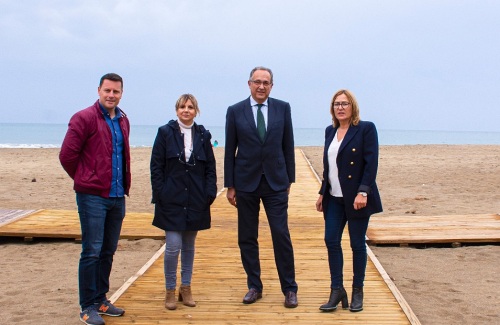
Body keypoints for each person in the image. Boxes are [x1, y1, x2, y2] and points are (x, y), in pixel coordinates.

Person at [224, 66, 298, 308]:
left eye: (266, 82)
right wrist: (230, 185)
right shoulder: (235, 111)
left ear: (272, 86)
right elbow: (229, 150)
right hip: (245, 182)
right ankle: (254, 286)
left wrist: (289, 178)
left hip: (276, 182)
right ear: (249, 84)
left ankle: (289, 288)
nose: (261, 86)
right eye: (257, 82)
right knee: (247, 236)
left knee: (281, 234)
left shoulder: (283, 108)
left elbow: (288, 144)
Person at [59, 73, 130, 325]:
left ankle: (101, 299)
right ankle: (87, 306)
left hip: (116, 195)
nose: (111, 95)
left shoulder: (123, 120)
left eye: (116, 91)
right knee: (92, 251)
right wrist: (85, 179)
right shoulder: (84, 118)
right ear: (99, 90)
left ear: (121, 93)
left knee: (108, 251)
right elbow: (67, 155)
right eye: (107, 90)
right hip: (92, 197)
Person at [315, 89, 383, 313]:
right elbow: (329, 167)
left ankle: (357, 291)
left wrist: (363, 192)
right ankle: (337, 290)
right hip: (333, 197)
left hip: (356, 198)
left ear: (352, 107)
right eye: (336, 104)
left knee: (356, 244)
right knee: (331, 240)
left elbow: (370, 163)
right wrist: (322, 191)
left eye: (344, 104)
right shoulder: (330, 131)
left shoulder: (365, 129)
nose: (340, 107)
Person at [150, 94, 217, 310]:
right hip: (171, 198)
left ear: (196, 110)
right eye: (182, 107)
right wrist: (160, 192)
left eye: (190, 107)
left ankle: (185, 288)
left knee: (189, 246)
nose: (186, 110)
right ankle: (170, 289)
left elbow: (210, 169)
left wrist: (210, 193)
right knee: (173, 246)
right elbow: (156, 166)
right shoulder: (165, 133)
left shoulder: (203, 135)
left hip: (196, 198)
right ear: (176, 109)